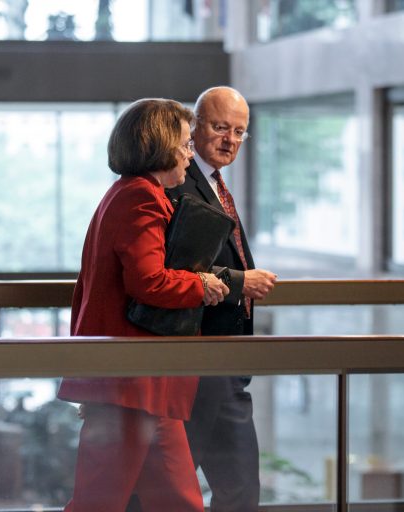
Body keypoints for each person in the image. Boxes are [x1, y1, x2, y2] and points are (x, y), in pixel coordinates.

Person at [57, 98, 230, 512]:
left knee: (179, 502)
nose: (191, 156)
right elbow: (148, 281)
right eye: (186, 145)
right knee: (99, 503)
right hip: (132, 383)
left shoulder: (128, 193)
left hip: (141, 385)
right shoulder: (141, 197)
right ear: (162, 145)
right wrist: (201, 284)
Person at [174, 86, 278, 511]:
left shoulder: (215, 184)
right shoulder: (177, 179)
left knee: (240, 491)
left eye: (240, 132)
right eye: (220, 128)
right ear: (195, 127)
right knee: (166, 489)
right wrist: (239, 281)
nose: (230, 140)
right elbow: (173, 270)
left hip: (228, 364)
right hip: (194, 365)